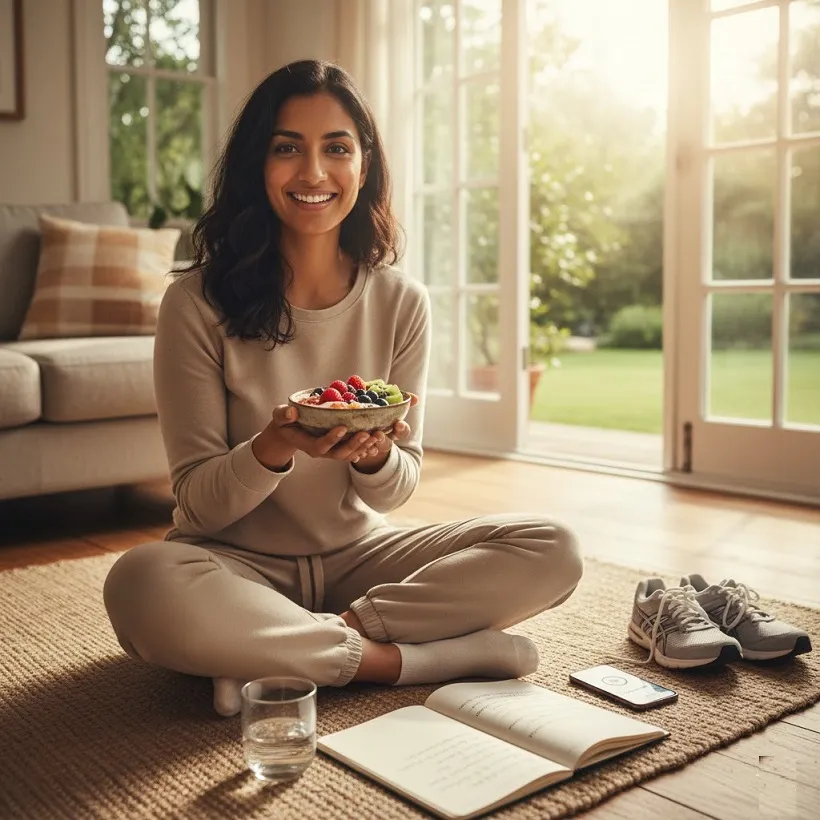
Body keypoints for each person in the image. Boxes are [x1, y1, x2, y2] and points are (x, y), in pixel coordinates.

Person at [103, 60, 583, 717]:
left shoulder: (402, 302)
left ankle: (273, 657)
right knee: (139, 581)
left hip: (362, 557)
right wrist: (271, 447)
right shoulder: (193, 304)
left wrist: (375, 456)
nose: (312, 173)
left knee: (552, 547)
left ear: (365, 166)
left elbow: (400, 483)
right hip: (233, 563)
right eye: (286, 148)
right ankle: (408, 662)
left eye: (336, 148)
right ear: (256, 164)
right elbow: (197, 506)